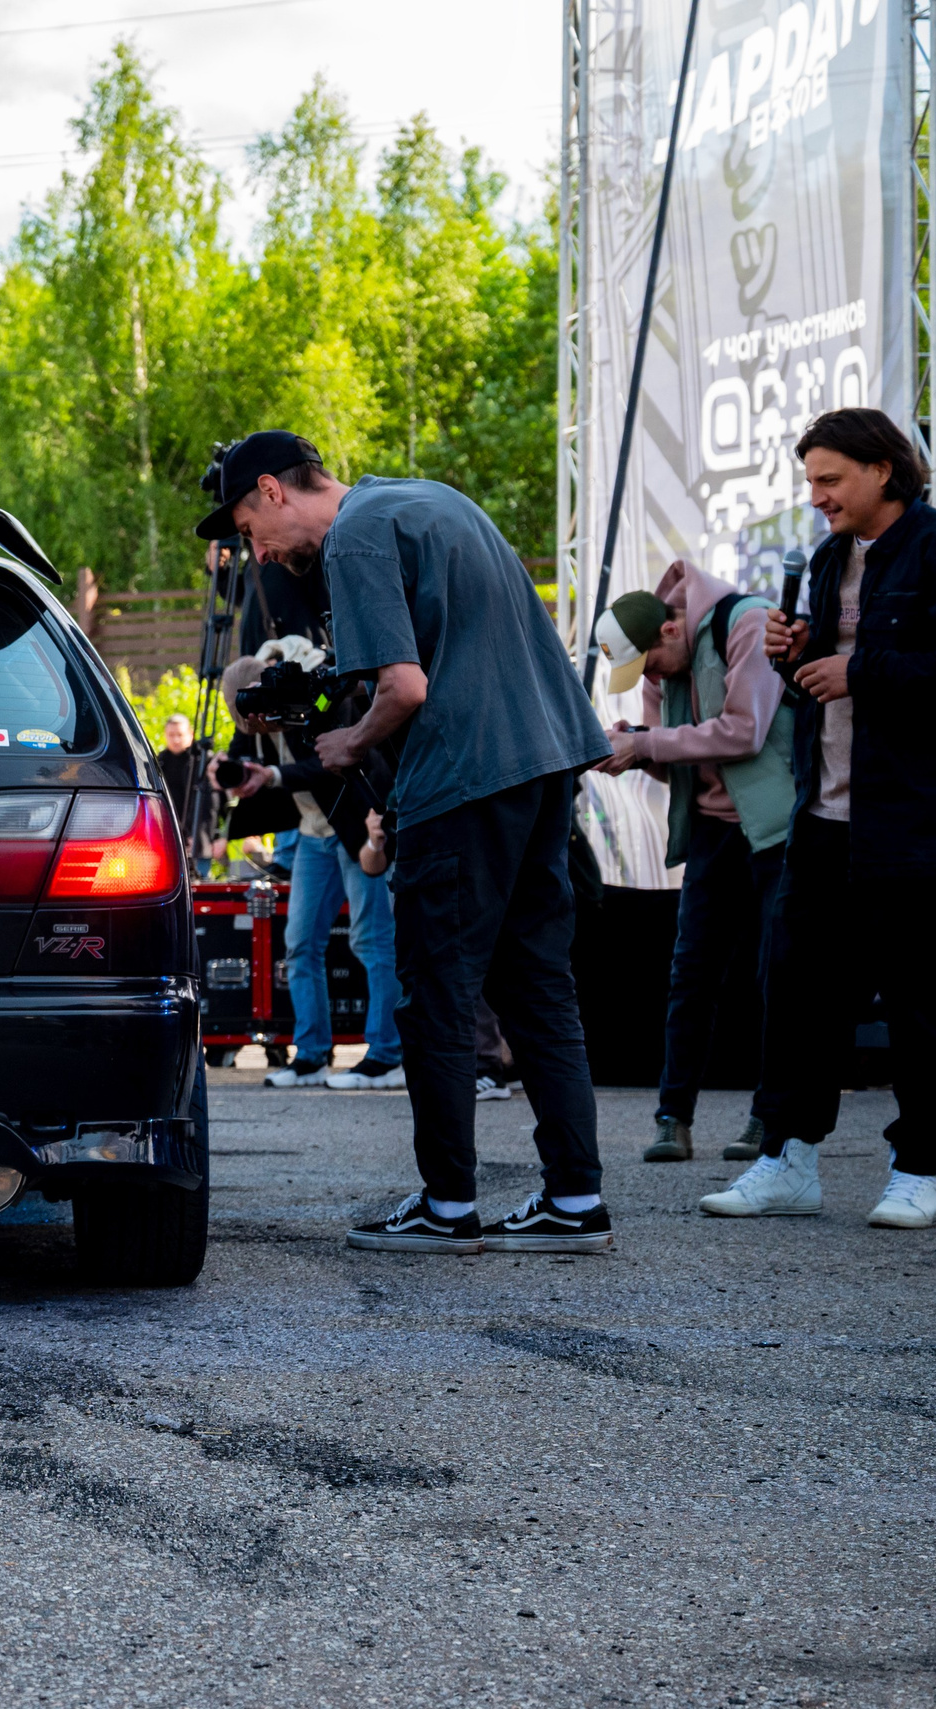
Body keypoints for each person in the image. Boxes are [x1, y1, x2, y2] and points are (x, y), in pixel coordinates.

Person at [200, 430, 613, 1255]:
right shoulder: (433, 499)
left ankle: (448, 1203)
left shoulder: (354, 535)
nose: (258, 549)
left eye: (248, 528)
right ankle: (575, 1197)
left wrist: (349, 744)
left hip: (461, 779)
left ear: (274, 491)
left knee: (435, 994)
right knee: (538, 987)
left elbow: (406, 686)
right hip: (544, 766)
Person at [700, 407, 936, 1229]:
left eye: (830, 479)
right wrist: (790, 650)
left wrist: (858, 669)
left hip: (922, 821)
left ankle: (918, 1166)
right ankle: (787, 1158)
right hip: (826, 814)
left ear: (883, 469)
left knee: (921, 1004)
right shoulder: (830, 556)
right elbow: (824, 676)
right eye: (811, 481)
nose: (818, 497)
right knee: (798, 992)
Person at [593, 563, 796, 1164]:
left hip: (774, 830)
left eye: (650, 666)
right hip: (712, 832)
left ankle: (769, 1118)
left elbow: (743, 732)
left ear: (672, 632)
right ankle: (671, 1117)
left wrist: (647, 743)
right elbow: (677, 750)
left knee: (775, 975)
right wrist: (636, 750)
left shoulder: (748, 621)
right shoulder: (666, 662)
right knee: (690, 976)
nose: (649, 679)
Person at [214, 640, 403, 1091]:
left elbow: (330, 764)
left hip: (356, 827)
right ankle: (312, 1055)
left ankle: (387, 1056)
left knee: (373, 940)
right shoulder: (252, 704)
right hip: (311, 834)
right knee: (299, 944)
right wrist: (232, 769)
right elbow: (248, 762)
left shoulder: (313, 691)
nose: (256, 726)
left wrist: (273, 776)